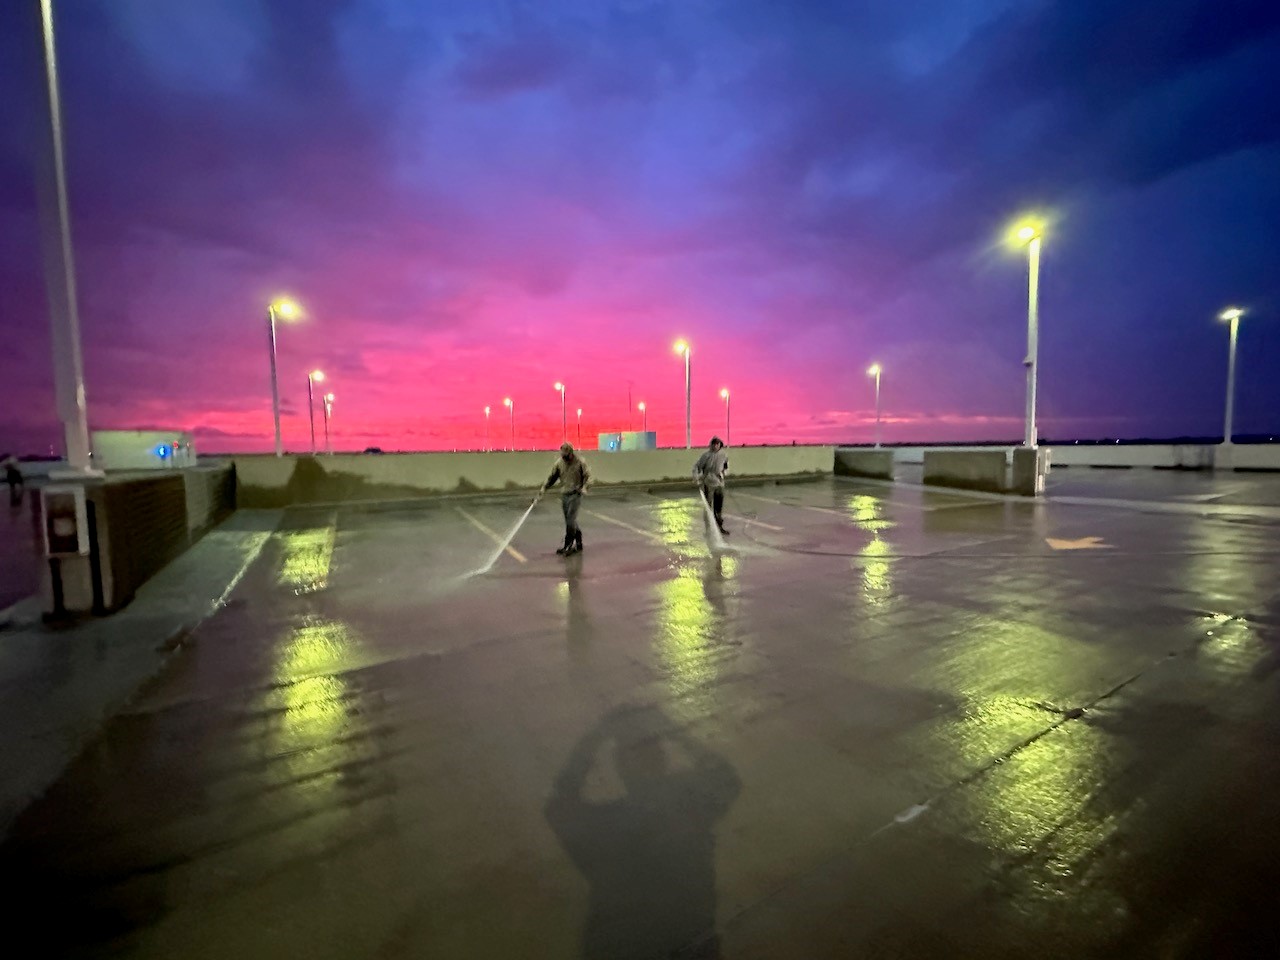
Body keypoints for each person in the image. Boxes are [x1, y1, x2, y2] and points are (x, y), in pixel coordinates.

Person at [538, 442, 591, 555]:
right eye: (563, 456)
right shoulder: (559, 463)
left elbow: (587, 476)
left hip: (576, 493)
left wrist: (585, 487)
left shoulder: (580, 462)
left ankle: (568, 545)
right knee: (569, 520)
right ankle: (579, 540)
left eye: (566, 456)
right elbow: (552, 477)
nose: (565, 458)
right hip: (565, 494)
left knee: (570, 519)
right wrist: (544, 488)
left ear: (571, 453)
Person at [692, 436, 730, 535]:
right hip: (708, 482)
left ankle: (719, 526)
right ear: (711, 445)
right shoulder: (706, 456)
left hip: (719, 483)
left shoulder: (724, 455)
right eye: (714, 444)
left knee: (718, 506)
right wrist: (696, 477)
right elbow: (697, 466)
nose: (715, 446)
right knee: (708, 507)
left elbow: (726, 466)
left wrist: (724, 473)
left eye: (717, 444)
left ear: (720, 445)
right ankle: (709, 528)